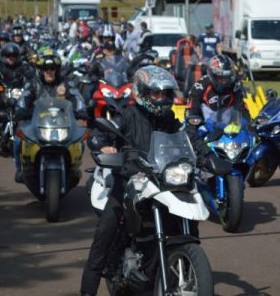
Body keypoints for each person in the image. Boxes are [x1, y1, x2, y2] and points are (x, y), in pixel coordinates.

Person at [80, 65, 220, 296]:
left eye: (165, 93)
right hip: (129, 181)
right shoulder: (126, 114)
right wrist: (102, 145)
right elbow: (100, 134)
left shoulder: (170, 118)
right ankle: (87, 292)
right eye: (156, 93)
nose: (162, 98)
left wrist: (209, 158)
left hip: (163, 180)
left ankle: (177, 260)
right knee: (104, 235)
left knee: (188, 216)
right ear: (142, 93)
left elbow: (189, 138)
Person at [13, 50, 88, 182]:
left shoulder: (66, 83)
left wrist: (82, 111)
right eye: (45, 69)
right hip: (36, 123)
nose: (49, 71)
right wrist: (20, 110)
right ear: (41, 70)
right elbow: (23, 99)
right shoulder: (33, 83)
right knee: (18, 139)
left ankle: (74, 167)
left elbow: (77, 97)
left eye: (52, 68)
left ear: (57, 70)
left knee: (80, 141)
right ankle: (19, 169)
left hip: (63, 123)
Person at [0, 43, 35, 140]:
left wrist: (31, 82)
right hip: (3, 93)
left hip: (19, 93)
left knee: (32, 104)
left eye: (14, 55)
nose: (11, 58)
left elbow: (31, 76)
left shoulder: (23, 65)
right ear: (4, 56)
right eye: (8, 55)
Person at [186, 54, 250, 122]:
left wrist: (248, 124)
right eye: (221, 78)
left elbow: (241, 108)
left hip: (228, 127)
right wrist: (194, 126)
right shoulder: (200, 86)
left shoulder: (235, 87)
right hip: (204, 126)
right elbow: (192, 110)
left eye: (227, 78)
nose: (224, 81)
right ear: (212, 75)